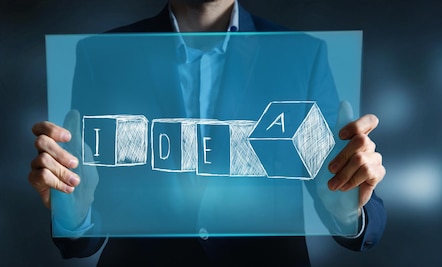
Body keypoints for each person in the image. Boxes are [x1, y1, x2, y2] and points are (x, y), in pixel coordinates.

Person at [29, 0, 386, 265]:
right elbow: (85, 231)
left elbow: (337, 188)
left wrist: (346, 212)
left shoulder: (302, 55)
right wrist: (74, 216)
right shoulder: (102, 57)